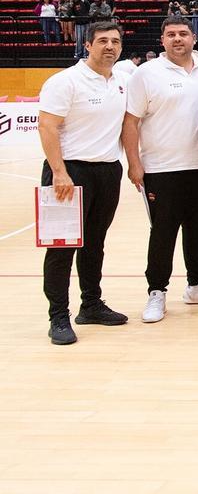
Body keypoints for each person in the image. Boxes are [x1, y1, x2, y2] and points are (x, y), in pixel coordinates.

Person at [122, 17, 198, 323]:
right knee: (163, 233)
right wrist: (134, 163)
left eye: (183, 33)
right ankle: (157, 292)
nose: (178, 39)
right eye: (171, 35)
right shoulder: (146, 74)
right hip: (162, 169)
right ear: (162, 40)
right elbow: (131, 121)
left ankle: (196, 285)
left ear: (194, 37)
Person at [37, 21, 128, 345]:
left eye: (115, 41)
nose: (109, 47)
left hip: (107, 171)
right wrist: (59, 172)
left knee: (95, 243)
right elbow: (47, 126)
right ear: (87, 45)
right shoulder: (65, 81)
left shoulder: (122, 78)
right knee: (62, 249)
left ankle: (90, 305)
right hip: (69, 172)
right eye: (102, 41)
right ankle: (58, 316)